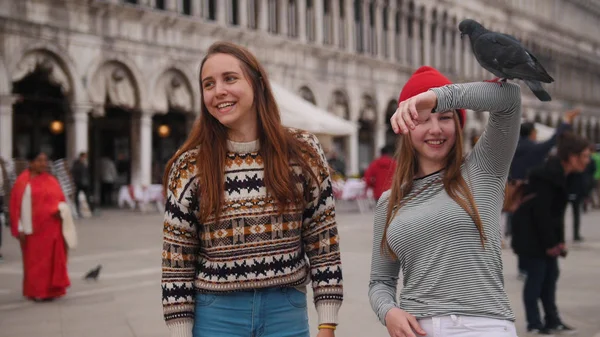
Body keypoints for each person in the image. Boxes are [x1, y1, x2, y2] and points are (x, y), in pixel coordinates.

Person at [161, 41, 343, 337]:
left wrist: (327, 322)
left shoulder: (304, 152)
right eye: (208, 84)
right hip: (216, 315)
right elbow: (176, 261)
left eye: (230, 78)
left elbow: (323, 241)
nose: (218, 90)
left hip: (286, 311)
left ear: (257, 84)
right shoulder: (190, 165)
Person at [369, 66, 521, 337]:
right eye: (423, 119)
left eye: (445, 118)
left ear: (458, 123)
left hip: (482, 325)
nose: (435, 129)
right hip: (418, 328)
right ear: (405, 126)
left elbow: (508, 99)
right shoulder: (389, 201)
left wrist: (436, 98)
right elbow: (380, 281)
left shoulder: (484, 169)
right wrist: (388, 312)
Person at [511, 133, 590, 335]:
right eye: (584, 156)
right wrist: (551, 243)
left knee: (550, 277)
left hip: (544, 237)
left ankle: (552, 320)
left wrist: (560, 242)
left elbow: (557, 214)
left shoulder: (562, 175)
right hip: (531, 237)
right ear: (572, 157)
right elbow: (542, 214)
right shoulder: (546, 176)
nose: (587, 161)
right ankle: (534, 323)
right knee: (536, 280)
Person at [9, 150, 70, 301]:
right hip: (32, 230)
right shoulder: (23, 181)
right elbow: (16, 207)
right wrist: (20, 228)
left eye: (45, 160)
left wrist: (60, 210)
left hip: (52, 227)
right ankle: (36, 291)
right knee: (35, 264)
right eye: (39, 160)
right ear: (31, 163)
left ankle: (52, 291)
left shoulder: (51, 180)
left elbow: (61, 199)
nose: (43, 164)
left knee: (52, 262)